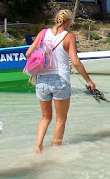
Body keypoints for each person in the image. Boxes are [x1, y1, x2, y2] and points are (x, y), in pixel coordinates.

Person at [26, 9, 96, 153]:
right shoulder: (68, 37)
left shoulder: (43, 33)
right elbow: (75, 62)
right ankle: (56, 151)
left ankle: (38, 146)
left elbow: (28, 54)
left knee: (45, 117)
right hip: (60, 80)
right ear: (69, 22)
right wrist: (89, 81)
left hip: (42, 80)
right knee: (60, 119)